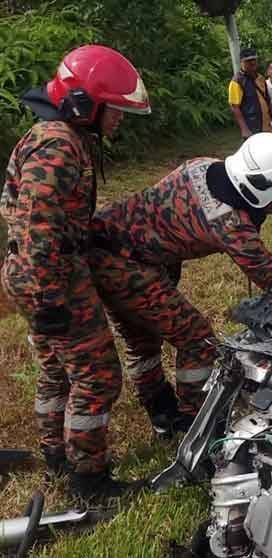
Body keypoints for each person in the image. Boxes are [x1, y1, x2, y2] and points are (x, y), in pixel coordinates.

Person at [89, 134, 272, 438]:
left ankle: (160, 408)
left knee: (143, 339)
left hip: (116, 245)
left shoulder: (203, 166)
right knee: (196, 339)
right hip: (124, 263)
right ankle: (195, 420)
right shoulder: (230, 223)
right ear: (260, 188)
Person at [1, 45, 150, 502]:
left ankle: (57, 458)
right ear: (85, 104)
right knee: (98, 376)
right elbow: (37, 226)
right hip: (51, 276)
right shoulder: (59, 146)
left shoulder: (58, 135)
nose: (119, 119)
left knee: (55, 370)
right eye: (115, 110)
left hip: (36, 272)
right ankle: (90, 479)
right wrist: (49, 296)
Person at [228, 47, 272, 139]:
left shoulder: (260, 78)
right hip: (252, 129)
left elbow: (267, 100)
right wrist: (244, 129)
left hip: (267, 126)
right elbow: (234, 107)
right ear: (241, 62)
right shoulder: (237, 81)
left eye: (254, 59)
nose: (252, 62)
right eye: (248, 60)